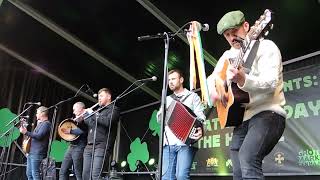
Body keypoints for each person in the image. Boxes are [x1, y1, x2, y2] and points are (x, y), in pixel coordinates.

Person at [207, 10, 286, 179]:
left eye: (234, 32)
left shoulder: (266, 47)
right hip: (242, 119)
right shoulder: (228, 56)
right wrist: (216, 88)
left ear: (246, 26)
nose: (231, 38)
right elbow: (211, 78)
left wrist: (244, 79)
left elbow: (271, 83)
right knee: (237, 171)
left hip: (268, 113)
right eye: (227, 35)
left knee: (248, 158)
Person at [157, 69, 206, 180]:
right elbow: (159, 119)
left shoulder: (193, 96)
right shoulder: (167, 99)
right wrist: (163, 113)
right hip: (168, 144)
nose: (170, 82)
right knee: (166, 178)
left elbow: (201, 117)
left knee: (181, 176)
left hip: (186, 143)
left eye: (173, 79)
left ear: (181, 80)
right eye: (169, 80)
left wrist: (200, 128)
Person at [81, 88, 120, 180]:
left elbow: (108, 122)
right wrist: (85, 115)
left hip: (102, 146)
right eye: (98, 97)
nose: (99, 99)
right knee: (85, 176)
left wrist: (94, 113)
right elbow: (91, 124)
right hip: (89, 146)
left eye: (101, 96)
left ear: (109, 97)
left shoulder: (114, 109)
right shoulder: (98, 111)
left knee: (96, 176)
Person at [19, 106, 52, 180]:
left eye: (37, 113)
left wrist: (26, 132)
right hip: (32, 152)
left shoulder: (46, 124)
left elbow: (39, 136)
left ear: (42, 114)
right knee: (29, 174)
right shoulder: (40, 124)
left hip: (37, 153)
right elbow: (33, 136)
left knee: (35, 174)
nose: (36, 115)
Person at [59, 102, 88, 180]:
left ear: (80, 108)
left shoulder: (86, 118)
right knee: (63, 171)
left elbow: (83, 132)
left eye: (74, 109)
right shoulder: (75, 120)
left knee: (78, 172)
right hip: (71, 146)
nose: (73, 112)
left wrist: (70, 131)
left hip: (80, 147)